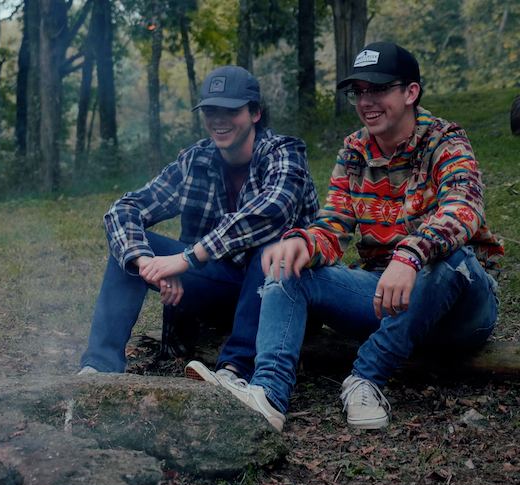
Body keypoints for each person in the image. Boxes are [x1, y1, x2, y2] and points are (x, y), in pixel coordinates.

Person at [211, 42, 503, 432]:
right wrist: (303, 242)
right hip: (385, 296)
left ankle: (365, 378)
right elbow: (333, 227)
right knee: (288, 268)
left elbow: (464, 209)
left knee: (451, 259)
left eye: (378, 89)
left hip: (460, 307)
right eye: (359, 92)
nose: (366, 101)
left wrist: (410, 256)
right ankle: (268, 394)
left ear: (410, 92)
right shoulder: (353, 151)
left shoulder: (445, 140)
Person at [78, 66, 320, 379]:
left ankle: (235, 369)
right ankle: (100, 366)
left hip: (280, 292)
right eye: (210, 110)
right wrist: (148, 263)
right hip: (220, 284)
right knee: (131, 247)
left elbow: (272, 212)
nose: (219, 119)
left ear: (255, 113)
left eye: (230, 110)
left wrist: (185, 260)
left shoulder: (284, 153)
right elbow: (124, 209)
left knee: (273, 248)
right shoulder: (197, 159)